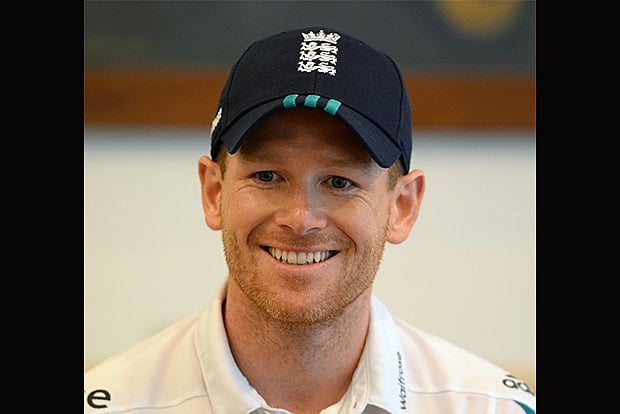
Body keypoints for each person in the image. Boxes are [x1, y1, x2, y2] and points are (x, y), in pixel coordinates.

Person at [84, 26, 536, 414]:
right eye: (267, 176)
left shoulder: (491, 407)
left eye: (340, 182)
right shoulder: (114, 404)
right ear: (213, 192)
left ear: (402, 207)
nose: (301, 220)